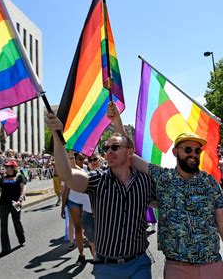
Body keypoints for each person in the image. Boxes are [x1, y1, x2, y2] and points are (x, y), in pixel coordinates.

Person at [106, 102, 223, 279]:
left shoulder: (209, 182)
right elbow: (130, 157)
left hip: (211, 265)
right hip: (177, 269)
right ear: (175, 152)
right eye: (187, 149)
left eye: (197, 150)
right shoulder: (163, 178)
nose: (193, 154)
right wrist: (117, 122)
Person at [46, 111, 154, 279]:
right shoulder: (98, 180)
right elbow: (67, 175)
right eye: (106, 148)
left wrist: (117, 121)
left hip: (139, 264)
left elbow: (166, 198)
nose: (109, 151)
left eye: (115, 147)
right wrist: (56, 137)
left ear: (129, 152)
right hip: (106, 267)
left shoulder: (144, 182)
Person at [0, 160, 26, 257]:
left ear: (13, 168)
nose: (6, 168)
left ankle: (21, 239)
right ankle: (5, 249)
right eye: (6, 167)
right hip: (3, 204)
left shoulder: (20, 177)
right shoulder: (3, 178)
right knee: (3, 226)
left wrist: (20, 200)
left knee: (17, 222)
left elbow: (23, 189)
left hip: (15, 204)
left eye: (8, 167)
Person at [62, 151, 91, 266]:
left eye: (83, 158)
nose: (82, 160)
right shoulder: (68, 171)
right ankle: (81, 254)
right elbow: (65, 190)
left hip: (87, 202)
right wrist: (63, 205)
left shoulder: (85, 169)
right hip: (73, 201)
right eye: (79, 158)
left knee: (89, 228)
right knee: (78, 228)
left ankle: (95, 252)